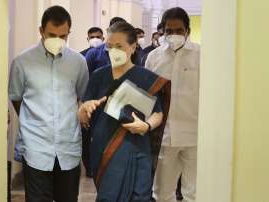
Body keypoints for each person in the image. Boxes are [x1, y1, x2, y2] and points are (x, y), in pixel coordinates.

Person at [78, 22, 170, 201]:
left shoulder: (145, 77)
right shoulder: (98, 76)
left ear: (133, 47)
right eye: (109, 46)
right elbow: (82, 112)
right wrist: (84, 109)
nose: (113, 51)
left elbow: (158, 113)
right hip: (104, 149)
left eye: (119, 46)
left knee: (139, 197)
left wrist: (146, 126)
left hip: (136, 149)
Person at [8, 5, 89, 202]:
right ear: (41, 31)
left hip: (67, 149)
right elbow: (16, 98)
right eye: (52, 35)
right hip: (36, 147)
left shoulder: (78, 62)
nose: (58, 41)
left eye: (63, 36)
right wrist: (35, 122)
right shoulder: (22, 62)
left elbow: (81, 96)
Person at [145, 7, 200, 202]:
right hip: (164, 136)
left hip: (195, 135)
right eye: (169, 31)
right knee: (161, 192)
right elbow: (147, 95)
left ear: (187, 31)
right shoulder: (154, 57)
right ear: (163, 31)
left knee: (193, 193)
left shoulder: (202, 56)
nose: (174, 35)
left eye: (179, 30)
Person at [80, 26, 105, 178]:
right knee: (86, 136)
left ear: (103, 38)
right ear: (87, 38)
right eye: (92, 36)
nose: (95, 39)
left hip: (103, 102)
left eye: (98, 36)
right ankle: (89, 167)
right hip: (88, 101)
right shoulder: (83, 56)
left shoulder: (107, 54)